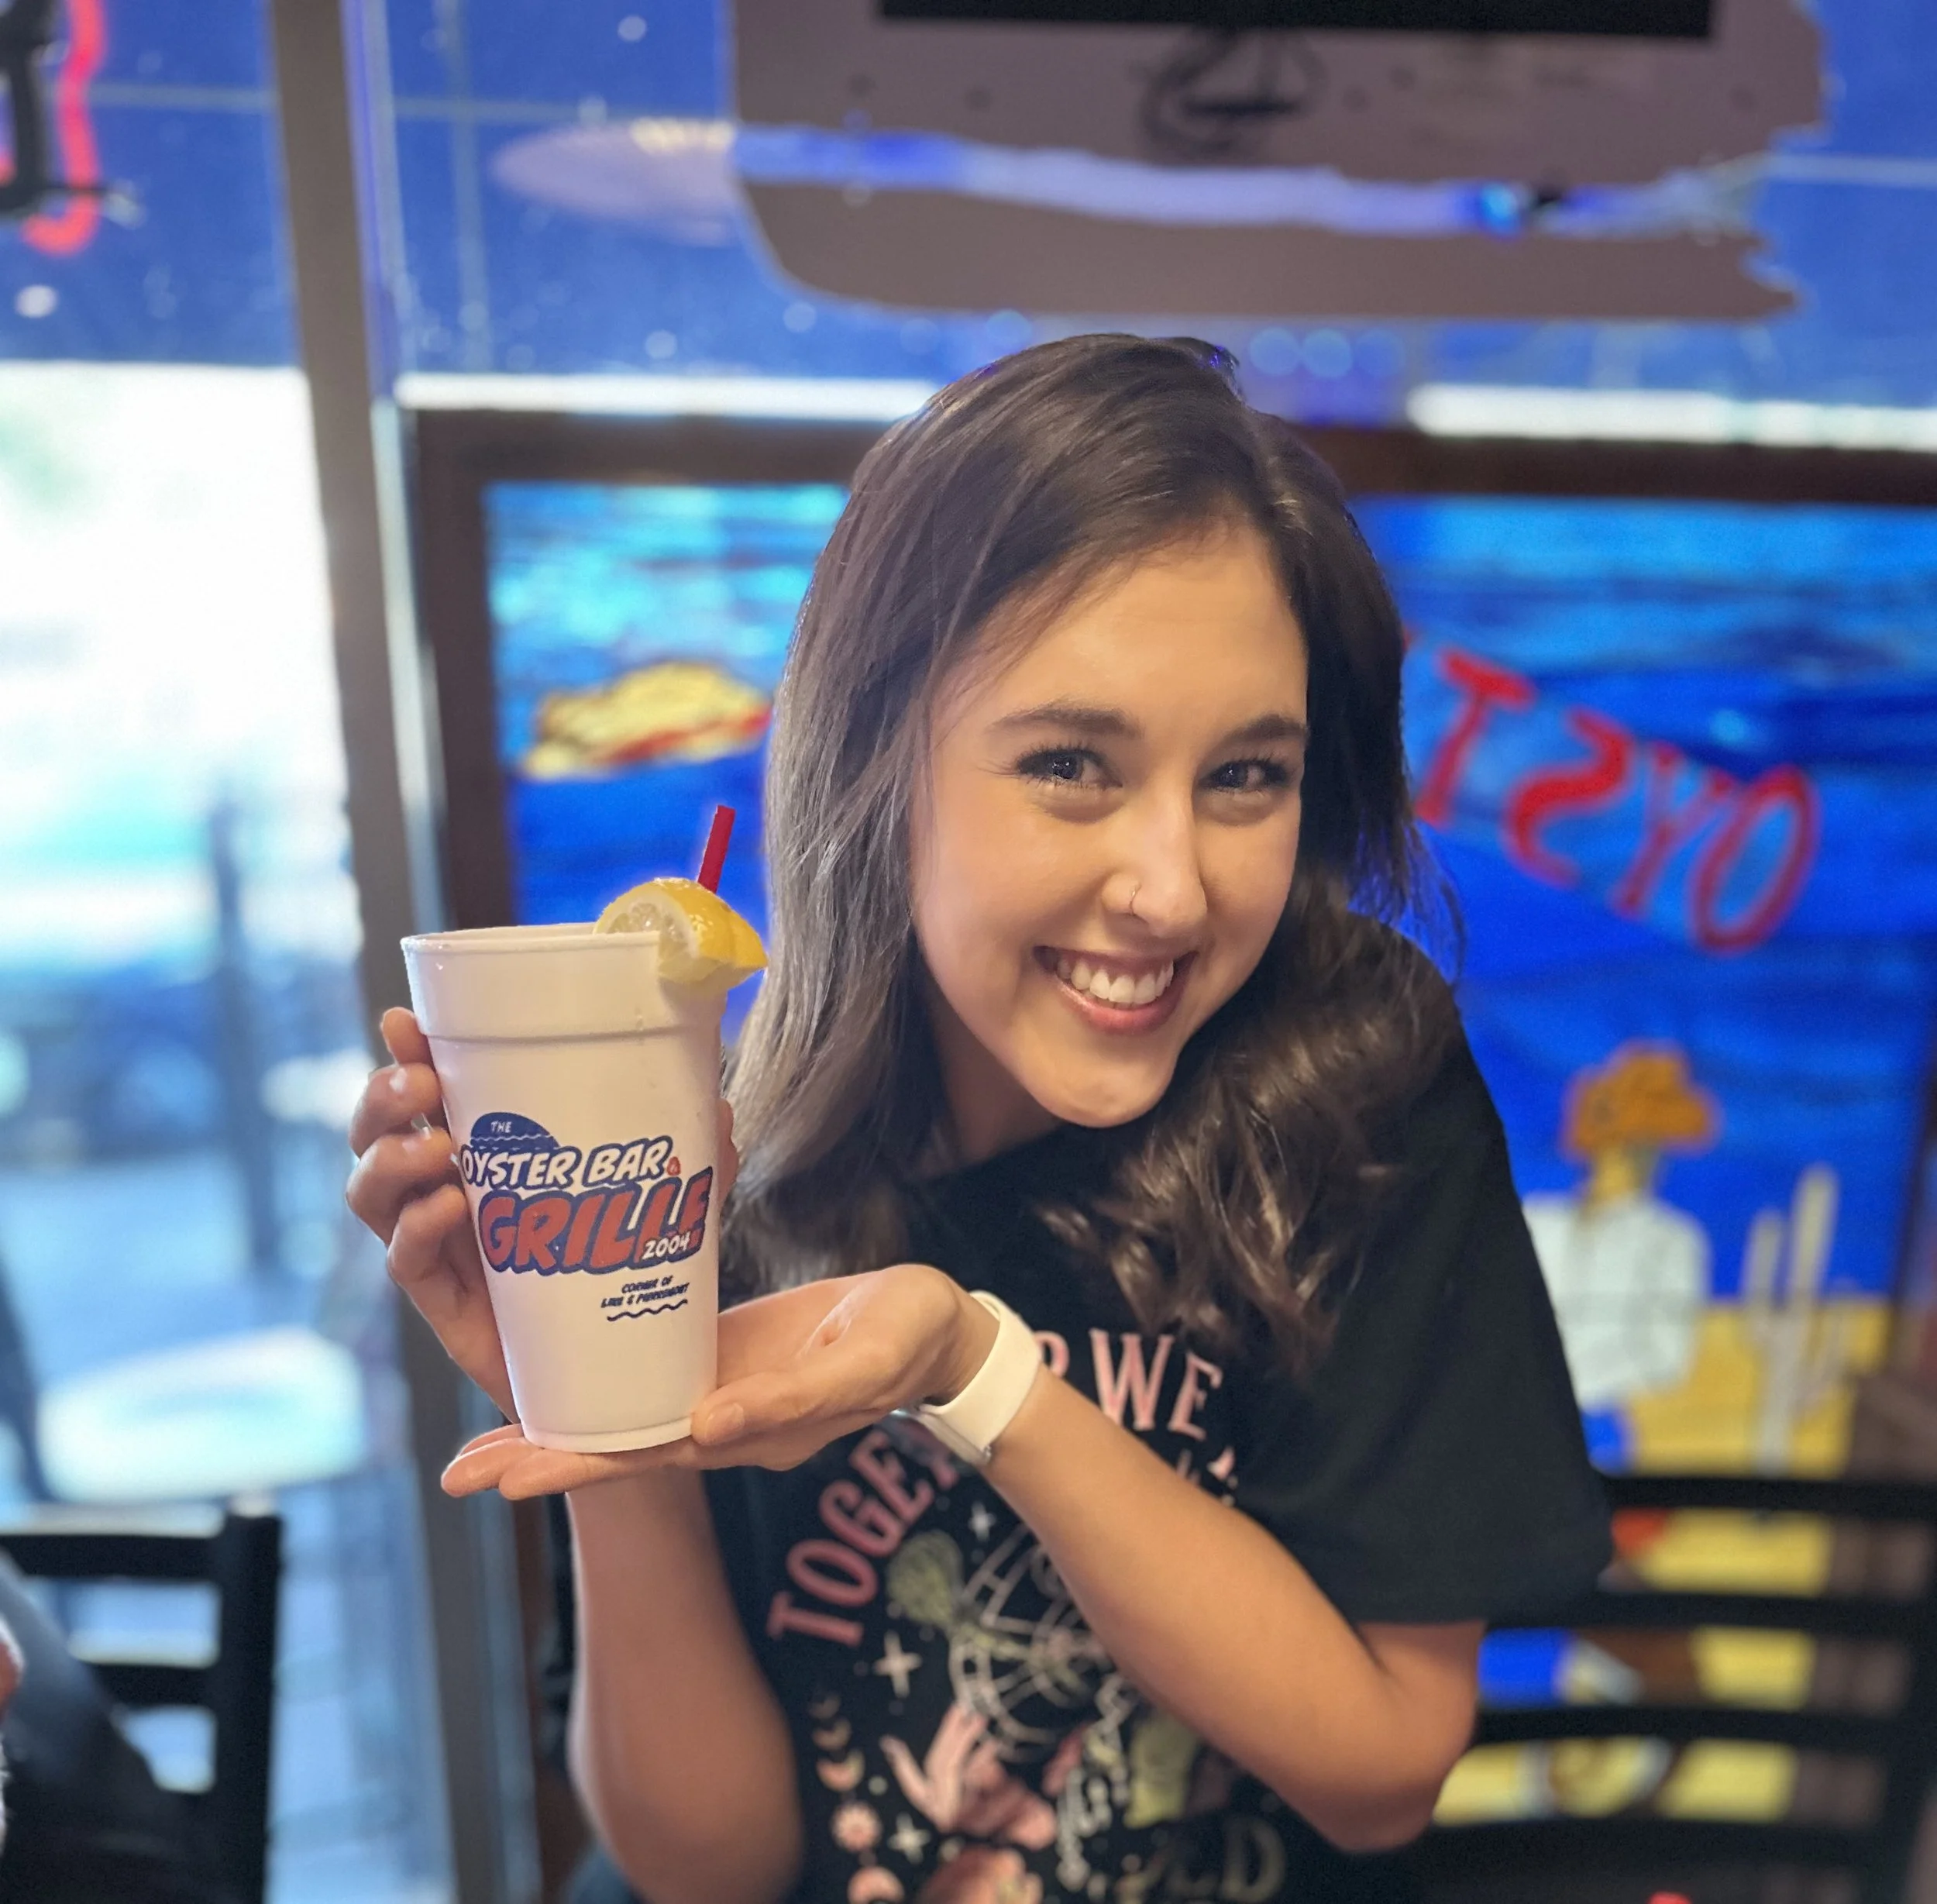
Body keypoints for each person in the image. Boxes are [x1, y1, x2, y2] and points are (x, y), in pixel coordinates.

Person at [349, 335, 1611, 1904]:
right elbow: (708, 1871)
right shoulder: (687, 1177)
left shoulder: (1351, 1080)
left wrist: (974, 1369)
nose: (1171, 889)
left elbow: (1381, 1772)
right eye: (1072, 765)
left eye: (1245, 776)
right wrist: (599, 1410)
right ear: (877, 763)